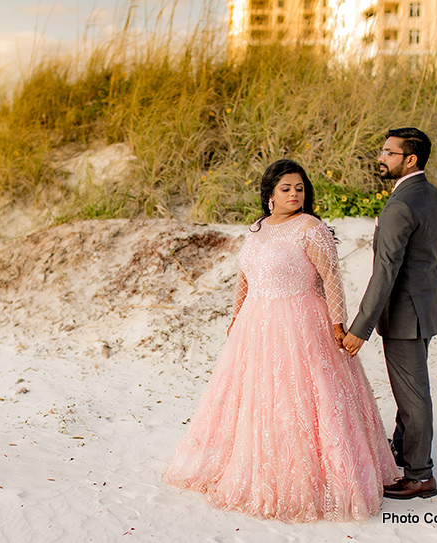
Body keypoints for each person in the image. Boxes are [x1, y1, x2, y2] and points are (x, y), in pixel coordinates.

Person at [163, 159, 397, 522]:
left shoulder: (311, 228)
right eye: (286, 189)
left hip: (301, 320)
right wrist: (236, 315)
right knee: (255, 396)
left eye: (299, 188)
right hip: (255, 324)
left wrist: (337, 322)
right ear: (270, 195)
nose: (294, 194)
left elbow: (330, 277)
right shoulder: (257, 229)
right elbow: (245, 277)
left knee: (302, 396)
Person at [342, 127, 437, 500]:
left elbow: (386, 269)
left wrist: (361, 326)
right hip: (427, 308)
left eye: (389, 153)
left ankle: (420, 475)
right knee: (414, 389)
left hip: (405, 315)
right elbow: (434, 258)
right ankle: (403, 450)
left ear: (411, 159)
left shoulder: (401, 205)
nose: (381, 158)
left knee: (413, 397)